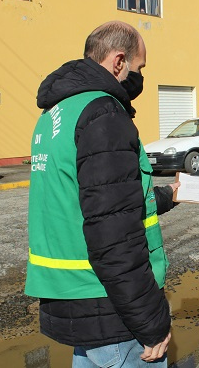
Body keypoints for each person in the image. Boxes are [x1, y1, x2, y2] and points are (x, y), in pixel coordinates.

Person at [25, 21, 177, 367]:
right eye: (139, 68)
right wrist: (151, 322)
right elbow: (114, 235)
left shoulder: (55, 113)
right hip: (111, 307)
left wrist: (168, 195)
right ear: (119, 61)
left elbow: (94, 201)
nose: (139, 77)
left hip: (75, 299)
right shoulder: (104, 113)